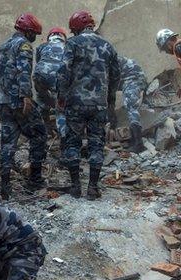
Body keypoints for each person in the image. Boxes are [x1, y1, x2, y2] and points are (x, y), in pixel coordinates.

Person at [57, 11, 120, 200]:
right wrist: (109, 100)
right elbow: (116, 76)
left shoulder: (73, 43)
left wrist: (61, 95)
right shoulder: (108, 45)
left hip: (76, 104)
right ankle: (92, 188)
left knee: (73, 143)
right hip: (99, 105)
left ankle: (75, 187)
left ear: (75, 28)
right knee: (96, 144)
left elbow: (63, 69)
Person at [0, 13, 48, 201]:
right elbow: (24, 70)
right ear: (28, 32)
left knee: (8, 142)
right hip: (18, 101)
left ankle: (5, 186)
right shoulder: (24, 45)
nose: (35, 37)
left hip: (2, 102)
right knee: (40, 134)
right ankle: (34, 179)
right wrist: (26, 95)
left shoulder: (3, 46)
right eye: (34, 33)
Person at [34, 27, 67, 148]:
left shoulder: (42, 46)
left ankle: (41, 134)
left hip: (39, 76)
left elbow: (39, 63)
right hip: (58, 77)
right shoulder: (68, 47)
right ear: (63, 37)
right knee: (61, 109)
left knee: (41, 101)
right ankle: (64, 138)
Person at [110, 56, 147, 153]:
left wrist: (112, 121)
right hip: (127, 78)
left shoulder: (99, 64)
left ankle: (139, 144)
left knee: (130, 106)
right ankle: (133, 141)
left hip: (132, 78)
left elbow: (109, 95)